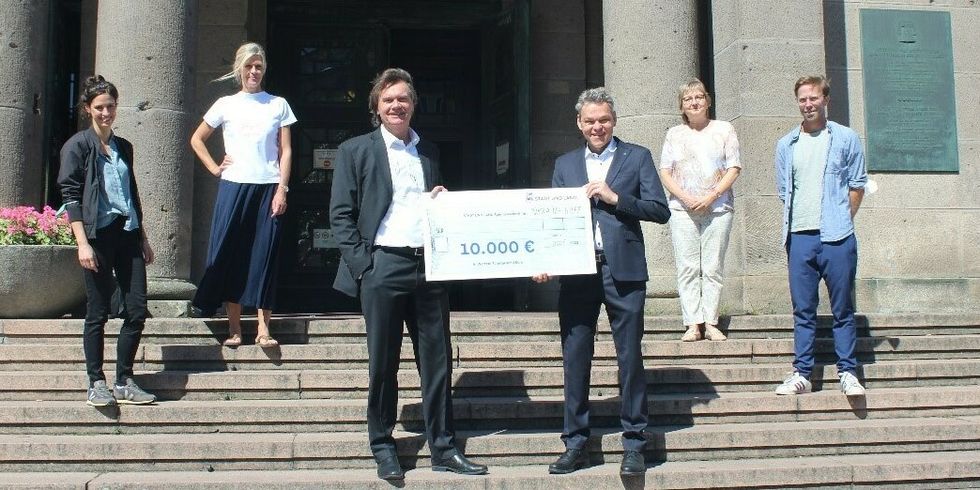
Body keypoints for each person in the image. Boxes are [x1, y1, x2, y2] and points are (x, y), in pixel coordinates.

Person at [329, 68, 488, 481]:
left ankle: (443, 448)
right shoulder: (354, 150)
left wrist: (440, 201)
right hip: (382, 266)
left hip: (428, 268)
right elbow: (340, 217)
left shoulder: (429, 152)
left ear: (414, 104)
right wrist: (365, 267)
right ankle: (383, 445)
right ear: (377, 107)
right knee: (382, 365)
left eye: (403, 99)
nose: (396, 105)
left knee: (437, 363)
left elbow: (430, 207)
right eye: (388, 100)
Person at [533, 87, 670, 476]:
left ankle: (634, 444)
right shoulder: (565, 164)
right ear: (579, 124)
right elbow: (552, 219)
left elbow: (660, 211)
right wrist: (547, 260)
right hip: (578, 272)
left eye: (604, 120)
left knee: (629, 358)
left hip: (623, 270)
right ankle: (576, 443)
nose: (598, 127)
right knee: (575, 358)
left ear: (614, 121)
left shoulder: (637, 156)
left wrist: (615, 198)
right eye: (590, 121)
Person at [58, 75, 157, 407]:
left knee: (137, 308)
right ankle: (95, 381)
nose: (106, 113)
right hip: (97, 235)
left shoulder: (123, 147)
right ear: (88, 109)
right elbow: (71, 196)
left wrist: (143, 236)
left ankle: (125, 379)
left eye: (111, 106)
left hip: (127, 233)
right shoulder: (78, 146)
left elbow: (131, 194)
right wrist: (82, 243)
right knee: (98, 312)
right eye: (99, 107)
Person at [190, 42, 296, 348]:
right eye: (249, 66)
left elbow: (286, 150)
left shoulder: (278, 104)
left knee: (264, 255)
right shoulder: (225, 103)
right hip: (234, 186)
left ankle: (264, 328)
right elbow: (197, 138)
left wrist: (282, 188)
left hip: (268, 187)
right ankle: (234, 328)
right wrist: (214, 166)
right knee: (231, 254)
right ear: (239, 69)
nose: (254, 71)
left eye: (259, 66)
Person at [773, 75, 867, 396]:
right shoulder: (786, 144)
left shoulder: (845, 138)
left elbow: (857, 185)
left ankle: (848, 371)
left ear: (826, 99)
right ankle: (802, 373)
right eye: (802, 99)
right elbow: (786, 192)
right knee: (803, 309)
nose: (808, 104)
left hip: (837, 237)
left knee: (842, 308)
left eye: (813, 98)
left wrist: (841, 216)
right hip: (800, 237)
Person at [659, 79, 741, 342]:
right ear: (681, 106)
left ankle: (711, 321)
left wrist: (712, 195)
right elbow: (665, 171)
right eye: (687, 99)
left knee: (713, 266)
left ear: (707, 100)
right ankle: (693, 323)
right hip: (682, 209)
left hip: (718, 206)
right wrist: (685, 197)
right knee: (688, 266)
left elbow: (733, 167)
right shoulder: (674, 134)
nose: (693, 102)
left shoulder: (724, 129)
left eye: (698, 97)